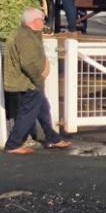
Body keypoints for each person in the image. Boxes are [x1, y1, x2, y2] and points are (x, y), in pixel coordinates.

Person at [4, 8, 70, 155]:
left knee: (43, 110)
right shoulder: (24, 37)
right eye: (42, 20)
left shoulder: (27, 34)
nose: (43, 22)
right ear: (35, 21)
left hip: (31, 83)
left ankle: (52, 138)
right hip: (29, 83)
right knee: (28, 114)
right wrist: (39, 80)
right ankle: (13, 145)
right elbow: (28, 63)